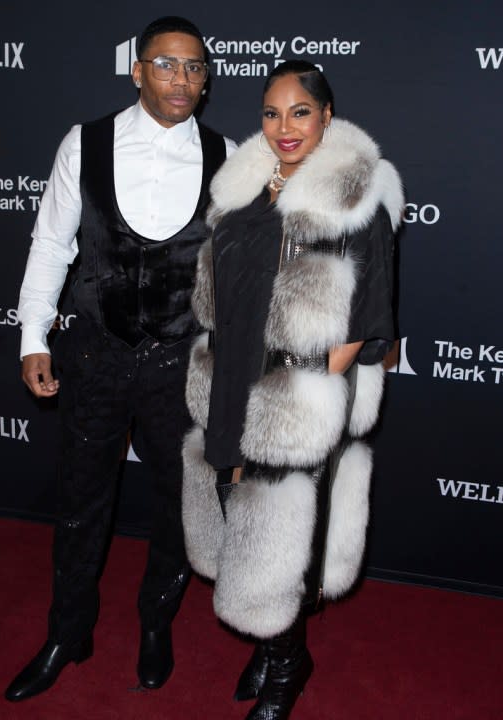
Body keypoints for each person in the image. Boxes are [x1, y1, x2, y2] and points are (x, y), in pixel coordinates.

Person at [5, 16, 236, 703]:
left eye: (196, 68)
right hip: (98, 354)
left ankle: (155, 622)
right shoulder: (86, 143)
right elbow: (51, 244)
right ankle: (67, 632)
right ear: (138, 71)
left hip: (180, 364)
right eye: (168, 65)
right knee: (80, 501)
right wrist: (33, 337)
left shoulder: (229, 157)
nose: (183, 80)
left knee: (177, 502)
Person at [182, 60, 404, 719]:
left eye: (300, 112)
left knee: (284, 532)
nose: (284, 127)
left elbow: (369, 321)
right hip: (229, 379)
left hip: (294, 395)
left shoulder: (353, 203)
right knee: (235, 510)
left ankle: (286, 663)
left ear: (327, 117)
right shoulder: (242, 192)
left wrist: (303, 404)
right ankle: (275, 643)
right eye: (271, 113)